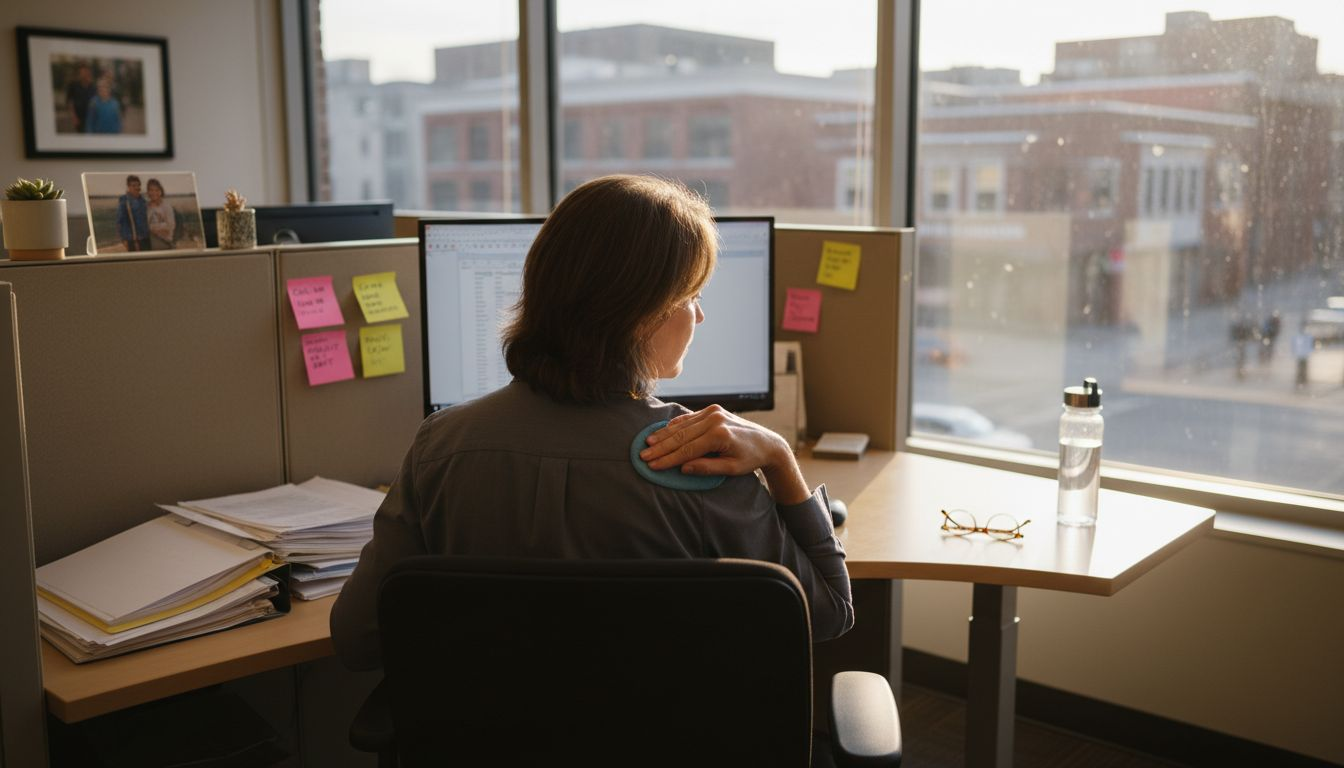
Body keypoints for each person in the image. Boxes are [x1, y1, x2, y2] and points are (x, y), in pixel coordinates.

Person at [331, 175, 852, 669]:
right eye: (690, 297)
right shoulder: (695, 459)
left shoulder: (439, 448)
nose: (699, 316)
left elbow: (357, 637)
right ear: (642, 313)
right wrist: (781, 460)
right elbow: (828, 609)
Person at [116, 175, 150, 252]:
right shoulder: (124, 201)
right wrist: (124, 240)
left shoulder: (143, 201)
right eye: (133, 185)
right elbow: (120, 222)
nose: (136, 187)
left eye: (138, 185)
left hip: (146, 238)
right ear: (128, 187)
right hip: (133, 240)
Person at [64, 63, 97, 134]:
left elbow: (96, 102)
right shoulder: (73, 85)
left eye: (87, 72)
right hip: (79, 119)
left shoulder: (93, 87)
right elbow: (69, 102)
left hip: (91, 119)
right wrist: (74, 117)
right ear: (79, 74)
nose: (84, 75)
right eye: (82, 72)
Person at [144, 178, 177, 250]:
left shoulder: (166, 207)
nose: (154, 193)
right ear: (148, 192)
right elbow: (145, 225)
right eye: (151, 190)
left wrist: (153, 229)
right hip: (150, 240)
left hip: (164, 242)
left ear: (161, 191)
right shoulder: (146, 207)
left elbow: (170, 227)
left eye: (156, 190)